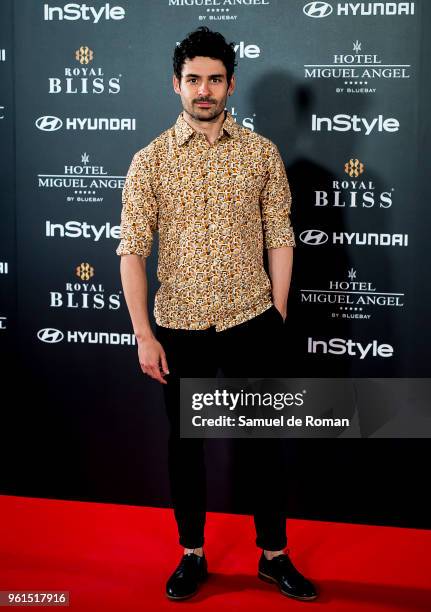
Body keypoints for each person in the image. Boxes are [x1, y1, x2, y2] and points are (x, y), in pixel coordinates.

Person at [116, 26, 317, 602]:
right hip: (180, 327)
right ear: (176, 84)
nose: (204, 90)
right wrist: (143, 335)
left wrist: (276, 311)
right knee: (186, 445)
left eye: (215, 79)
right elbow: (132, 252)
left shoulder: (260, 154)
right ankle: (192, 554)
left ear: (231, 85)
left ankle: (274, 556)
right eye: (193, 79)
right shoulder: (149, 161)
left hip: (252, 320)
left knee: (263, 445)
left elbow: (281, 236)